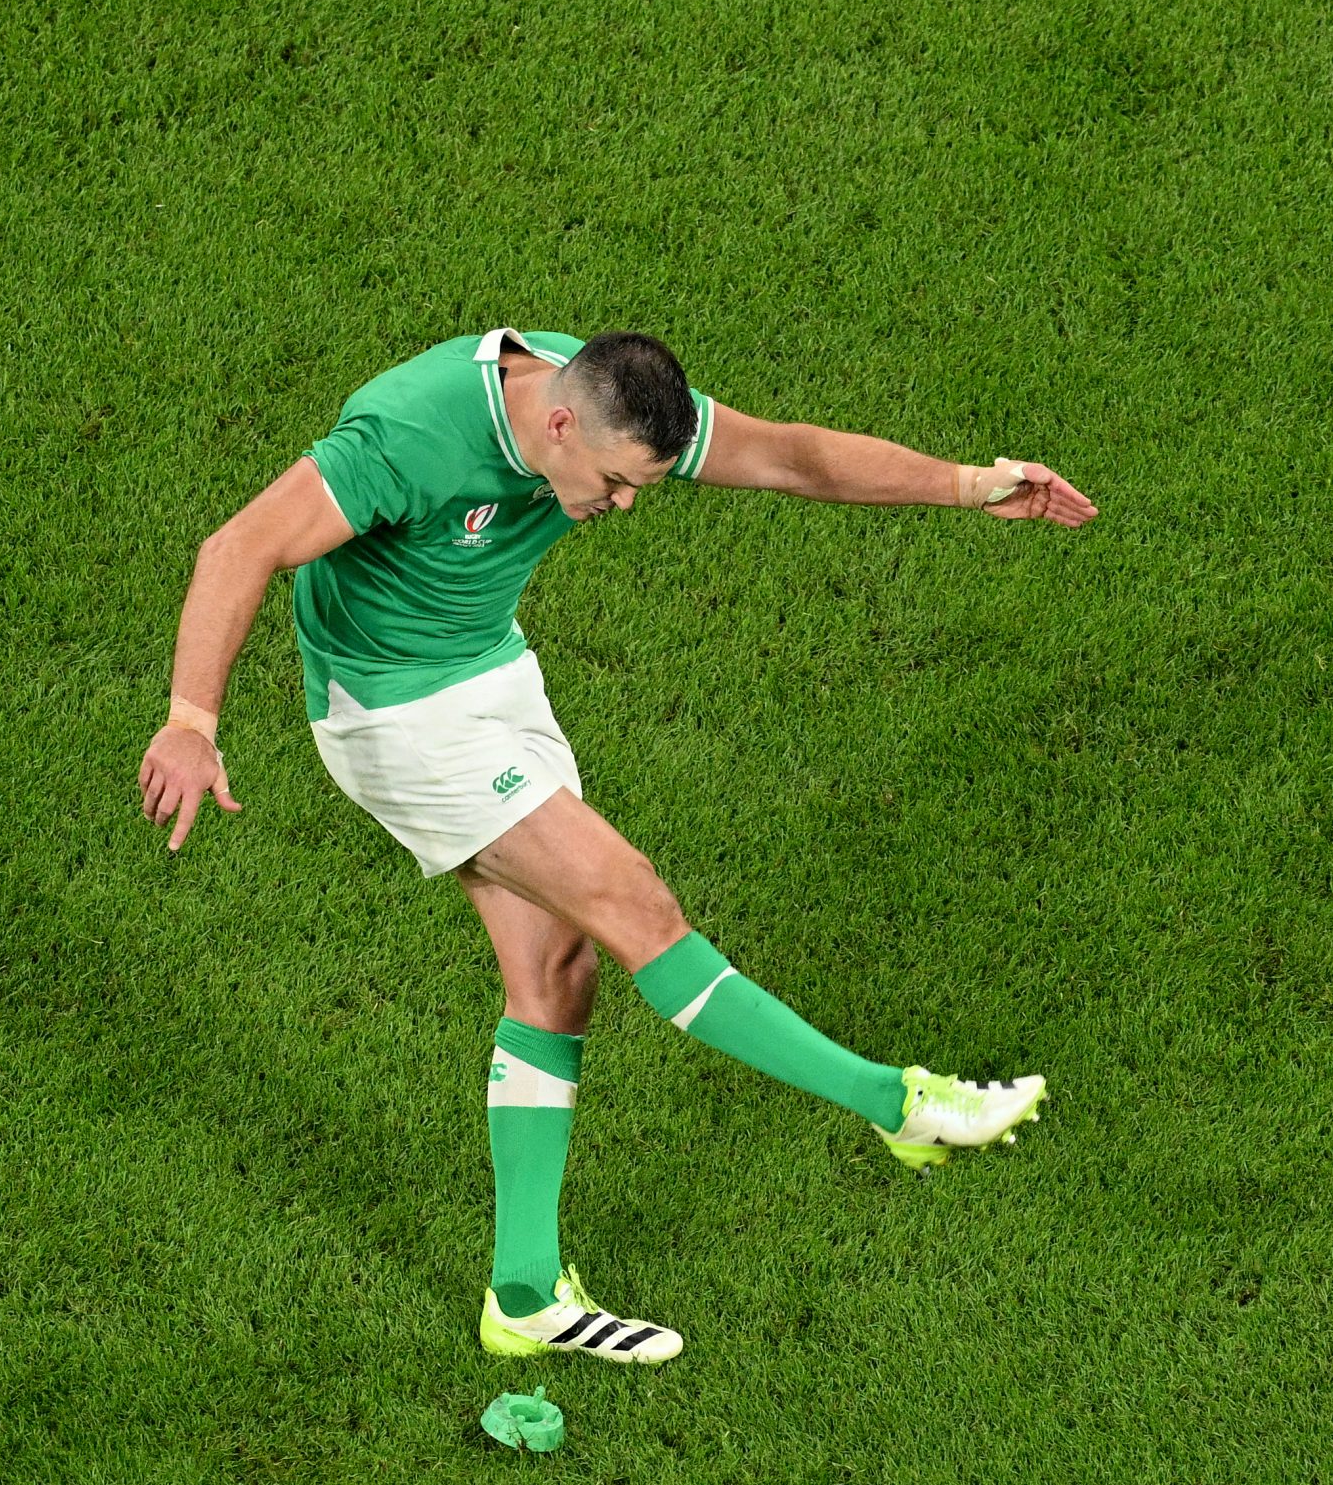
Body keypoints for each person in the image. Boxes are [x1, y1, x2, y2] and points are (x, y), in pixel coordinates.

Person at [137, 329, 1096, 1365]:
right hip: (396, 718)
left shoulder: (610, 399)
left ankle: (522, 1293)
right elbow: (238, 546)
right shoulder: (409, 436)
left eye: (641, 485)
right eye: (612, 482)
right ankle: (896, 1103)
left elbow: (787, 456)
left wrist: (965, 484)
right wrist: (193, 720)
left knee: (558, 973)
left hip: (492, 675)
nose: (625, 504)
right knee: (637, 904)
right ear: (557, 424)